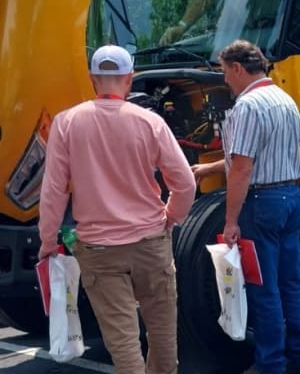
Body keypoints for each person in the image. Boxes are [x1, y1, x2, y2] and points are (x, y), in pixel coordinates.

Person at [38, 45, 196, 374]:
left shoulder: (67, 123)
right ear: (130, 78)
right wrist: (171, 216)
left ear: (93, 78)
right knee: (164, 335)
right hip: (151, 242)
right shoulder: (150, 122)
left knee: (124, 344)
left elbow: (53, 189)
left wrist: (48, 239)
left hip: (98, 249)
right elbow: (185, 183)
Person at [191, 40, 300, 374]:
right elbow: (251, 156)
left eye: (225, 73)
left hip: (262, 204)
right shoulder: (285, 99)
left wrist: (231, 220)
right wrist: (209, 168)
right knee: (293, 284)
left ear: (237, 67)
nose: (225, 82)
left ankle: (271, 364)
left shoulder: (247, 106)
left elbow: (244, 168)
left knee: (265, 290)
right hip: (291, 198)